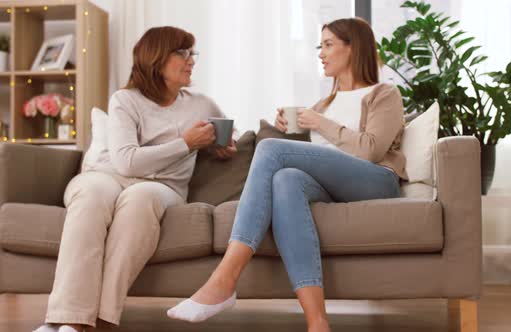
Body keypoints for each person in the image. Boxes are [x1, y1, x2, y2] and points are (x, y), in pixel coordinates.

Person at [167, 18, 408, 332]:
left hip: (377, 181)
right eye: (319, 46)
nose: (321, 53)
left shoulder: (383, 94)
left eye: (328, 44)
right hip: (333, 185)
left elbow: (370, 150)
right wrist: (290, 127)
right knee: (285, 181)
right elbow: (317, 158)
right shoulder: (325, 103)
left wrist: (318, 122)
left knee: (270, 149)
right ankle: (317, 323)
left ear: (354, 47)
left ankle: (224, 279)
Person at [34, 26, 237, 332]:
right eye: (182, 53)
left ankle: (99, 321)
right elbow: (125, 161)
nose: (191, 60)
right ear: (156, 59)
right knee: (90, 195)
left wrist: (225, 145)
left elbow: (229, 136)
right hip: (108, 176)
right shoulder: (125, 100)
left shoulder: (201, 103)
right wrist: (185, 143)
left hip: (163, 187)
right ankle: (66, 319)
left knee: (139, 199)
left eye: (191, 52)